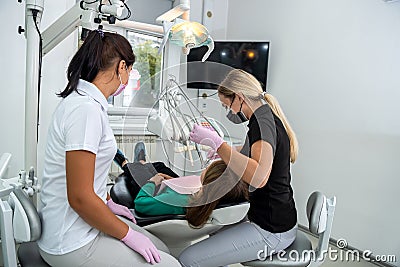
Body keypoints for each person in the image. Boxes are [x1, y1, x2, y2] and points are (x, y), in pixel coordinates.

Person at [38, 29, 180, 267]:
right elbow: (80, 197)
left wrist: (108, 203)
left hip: (84, 226)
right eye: (130, 69)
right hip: (71, 240)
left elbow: (89, 176)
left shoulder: (87, 103)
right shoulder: (85, 110)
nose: (129, 76)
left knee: (163, 249)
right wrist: (128, 234)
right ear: (121, 66)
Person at [179, 69, 299, 266]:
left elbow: (259, 177)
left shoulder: (262, 124)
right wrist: (224, 150)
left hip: (272, 229)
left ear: (240, 97)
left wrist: (219, 144)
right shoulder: (264, 119)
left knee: (188, 259)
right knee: (213, 234)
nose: (232, 112)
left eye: (229, 106)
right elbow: (254, 155)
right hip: (272, 218)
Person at [114, 146, 248, 227]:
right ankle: (142, 163)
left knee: (136, 171)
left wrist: (152, 182)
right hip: (181, 192)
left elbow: (141, 203)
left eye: (208, 168)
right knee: (160, 166)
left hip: (155, 194)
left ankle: (127, 163)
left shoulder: (179, 200)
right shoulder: (215, 196)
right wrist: (174, 183)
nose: (205, 168)